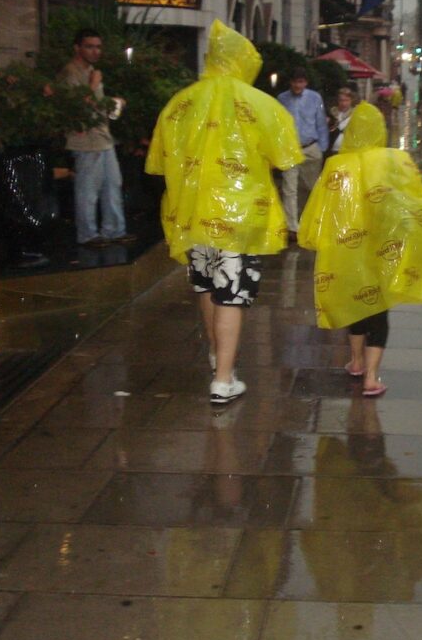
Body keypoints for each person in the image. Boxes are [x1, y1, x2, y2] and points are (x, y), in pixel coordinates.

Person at [145, 20, 303, 404]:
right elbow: (286, 158)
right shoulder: (262, 104)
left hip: (193, 214)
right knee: (230, 294)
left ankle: (219, 356)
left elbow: (159, 162)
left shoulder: (179, 103)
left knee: (207, 285)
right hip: (241, 218)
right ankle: (223, 378)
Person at [299, 101, 422, 397]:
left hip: (347, 250)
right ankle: (371, 376)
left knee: (355, 304)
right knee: (379, 312)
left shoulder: (336, 164)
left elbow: (320, 207)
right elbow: (417, 198)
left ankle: (355, 361)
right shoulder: (395, 159)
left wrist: (312, 238)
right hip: (384, 247)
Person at [58, 28, 135, 248]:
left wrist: (112, 101)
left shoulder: (91, 70)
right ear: (77, 48)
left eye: (98, 47)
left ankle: (114, 230)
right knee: (87, 190)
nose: (95, 51)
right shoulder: (70, 73)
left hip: (103, 138)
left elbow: (96, 104)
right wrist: (94, 84)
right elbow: (78, 107)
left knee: (112, 185)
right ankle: (88, 234)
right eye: (89, 46)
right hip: (85, 140)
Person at [277, 67, 328, 241]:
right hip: (290, 148)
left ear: (305, 82)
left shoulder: (315, 98)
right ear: (290, 82)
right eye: (295, 81)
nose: (297, 85)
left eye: (301, 81)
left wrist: (322, 147)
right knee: (289, 188)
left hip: (310, 147)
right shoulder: (282, 99)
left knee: (312, 187)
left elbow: (320, 121)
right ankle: (292, 227)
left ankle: (311, 221)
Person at [327, 86, 355, 155]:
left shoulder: (355, 114)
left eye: (346, 100)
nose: (343, 103)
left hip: (348, 150)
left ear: (351, 100)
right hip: (332, 149)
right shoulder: (331, 112)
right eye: (341, 100)